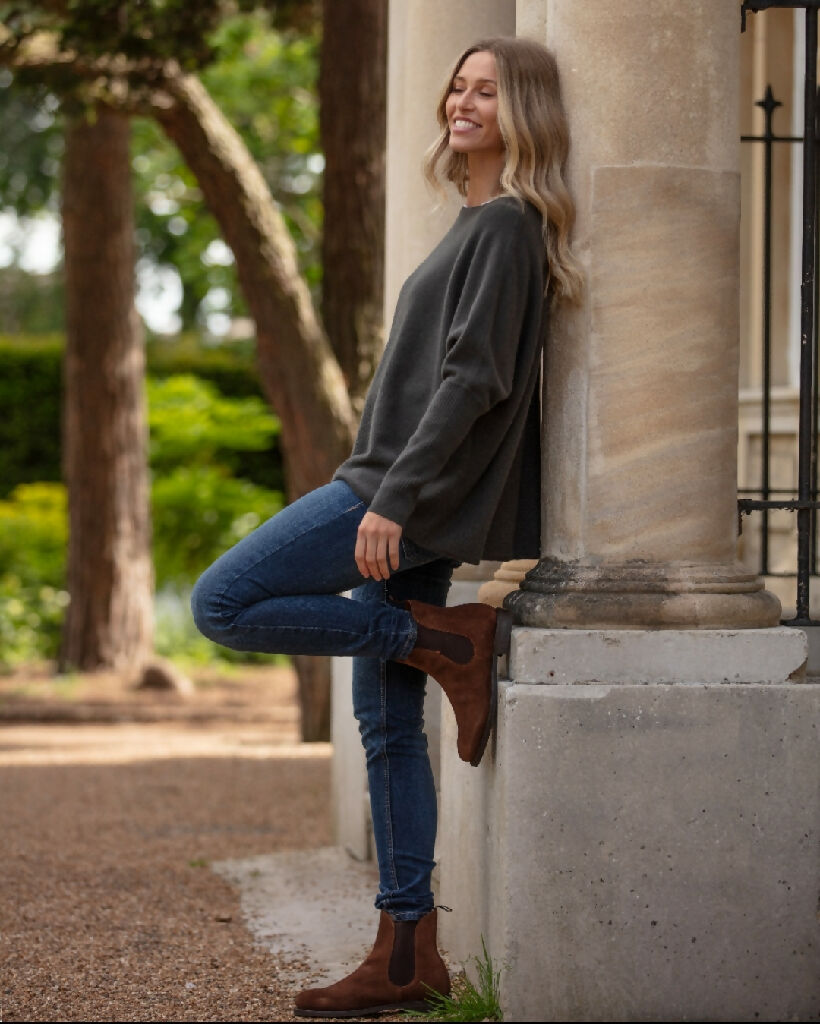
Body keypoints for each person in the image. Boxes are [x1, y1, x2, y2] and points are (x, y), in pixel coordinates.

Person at [191, 34, 582, 1019]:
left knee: (223, 602)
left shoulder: (504, 227)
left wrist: (393, 498)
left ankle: (440, 636)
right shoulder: (474, 218)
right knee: (386, 726)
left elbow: (474, 381)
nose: (461, 100)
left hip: (398, 491)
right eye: (457, 85)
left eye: (486, 91)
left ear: (525, 110)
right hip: (403, 487)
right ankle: (406, 951)